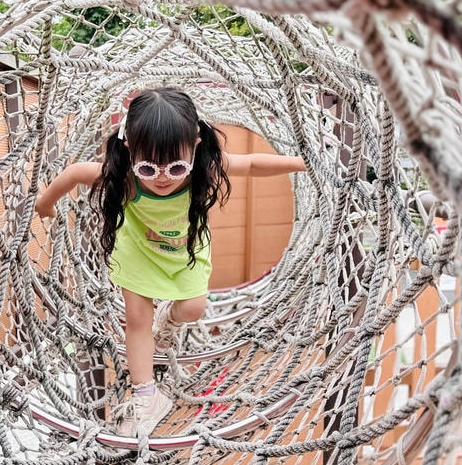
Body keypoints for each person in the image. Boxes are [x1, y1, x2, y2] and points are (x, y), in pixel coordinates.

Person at [35, 87, 304, 436]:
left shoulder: (203, 168)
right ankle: (146, 396)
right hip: (138, 252)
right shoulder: (124, 175)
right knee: (135, 318)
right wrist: (45, 203)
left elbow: (251, 164)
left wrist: (301, 163)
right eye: (149, 166)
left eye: (176, 165)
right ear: (130, 148)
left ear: (194, 144)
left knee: (193, 308)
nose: (163, 177)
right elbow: (73, 173)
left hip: (186, 252)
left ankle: (170, 320)